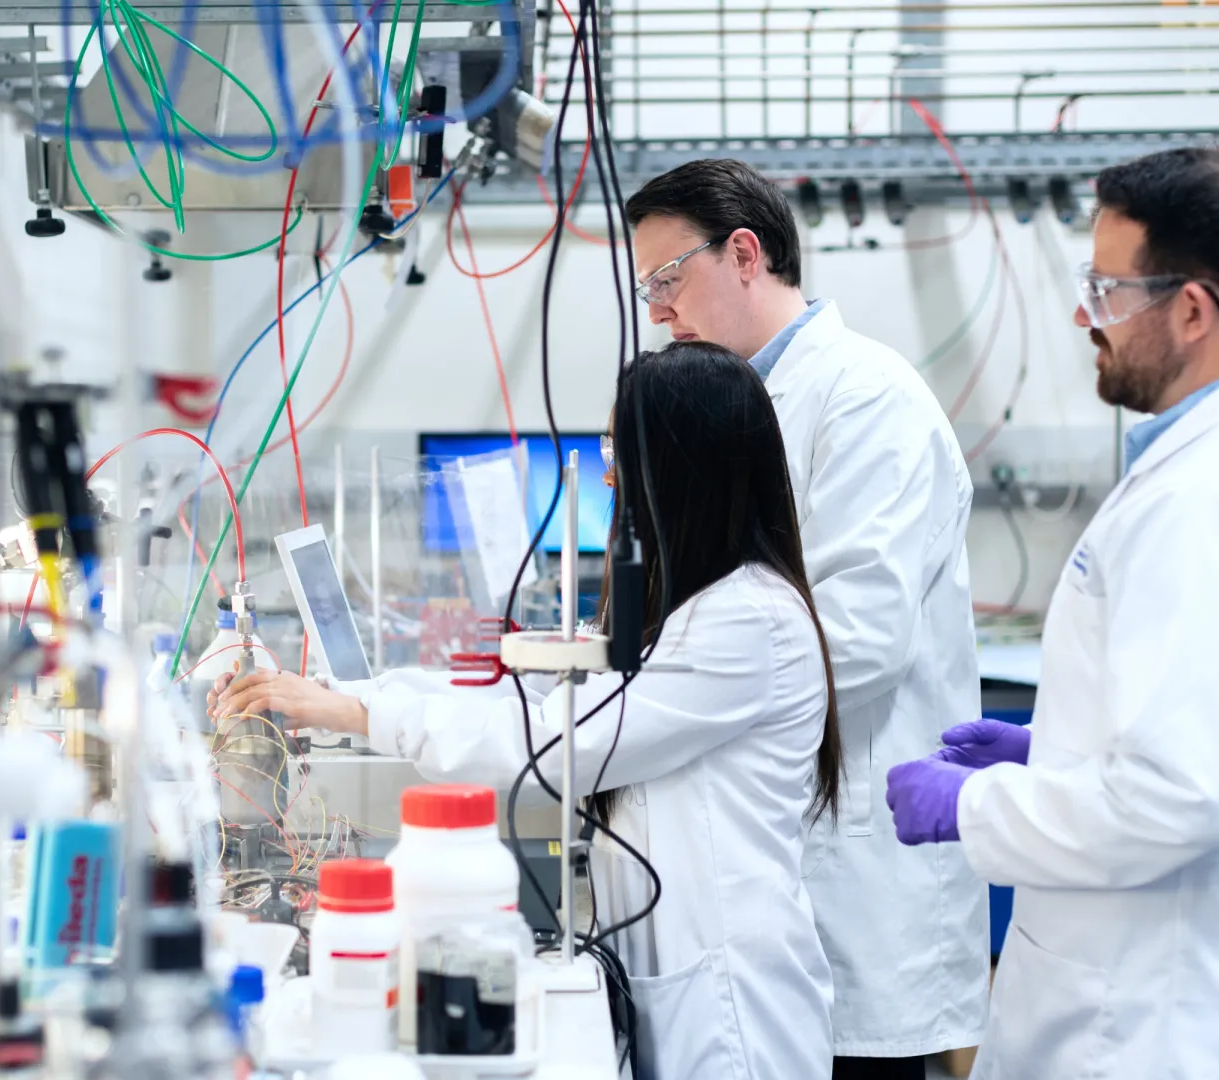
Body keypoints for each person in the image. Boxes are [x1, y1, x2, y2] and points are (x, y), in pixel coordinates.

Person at [885, 147, 1219, 1078]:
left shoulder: (1210, 498)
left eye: (1108, 291)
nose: (1085, 315)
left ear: (1194, 310)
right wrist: (1063, 749)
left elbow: (1177, 801)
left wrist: (978, 804)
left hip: (1173, 1022)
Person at [216, 342, 841, 1079]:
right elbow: (545, 698)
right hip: (685, 972)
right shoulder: (703, 605)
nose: (608, 472)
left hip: (733, 1008)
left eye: (621, 450)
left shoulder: (746, 621)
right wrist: (362, 697)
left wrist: (357, 714)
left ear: (683, 465)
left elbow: (555, 747)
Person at [622, 159, 987, 1077]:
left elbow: (856, 640)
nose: (658, 311)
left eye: (667, 280)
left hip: (855, 865)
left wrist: (669, 707)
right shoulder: (733, 406)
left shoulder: (868, 398)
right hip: (768, 858)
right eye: (648, 290)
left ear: (745, 254)